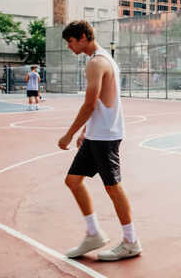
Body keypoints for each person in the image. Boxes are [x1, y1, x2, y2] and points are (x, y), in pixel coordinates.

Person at [58, 20, 141, 261]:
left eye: (70, 42)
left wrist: (69, 133)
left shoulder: (97, 62)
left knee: (112, 187)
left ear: (83, 37)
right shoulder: (102, 59)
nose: (69, 47)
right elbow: (100, 103)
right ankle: (93, 233)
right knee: (73, 181)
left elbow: (90, 103)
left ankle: (131, 241)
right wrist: (86, 130)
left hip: (106, 136)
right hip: (97, 134)